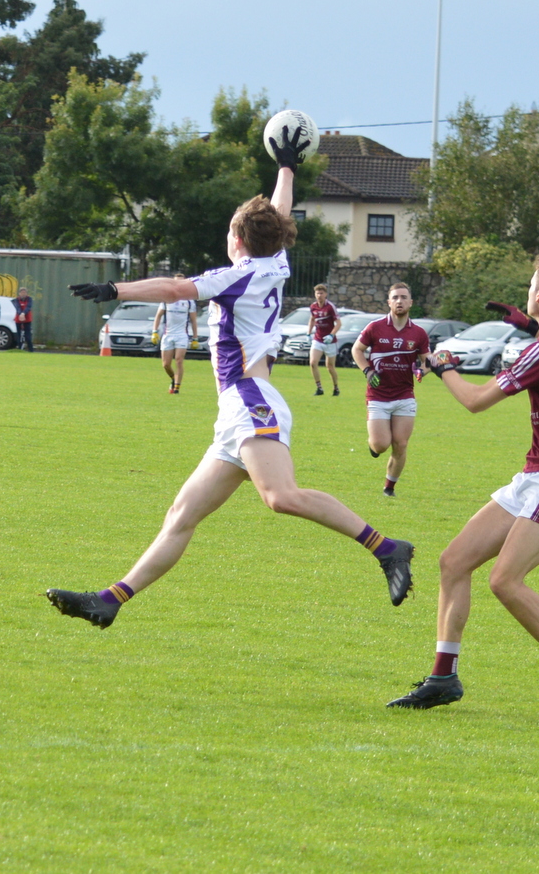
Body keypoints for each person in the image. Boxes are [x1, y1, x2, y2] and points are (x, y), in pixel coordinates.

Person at [48, 125, 415, 629]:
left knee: (280, 496)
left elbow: (177, 289)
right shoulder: (276, 261)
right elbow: (281, 218)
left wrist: (117, 286)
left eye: (230, 230)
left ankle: (388, 548)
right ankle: (109, 600)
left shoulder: (234, 274)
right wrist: (286, 167)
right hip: (237, 408)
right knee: (181, 515)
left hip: (250, 396)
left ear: (237, 239)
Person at [388, 254, 539, 720]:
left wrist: (443, 365)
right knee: (454, 562)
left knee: (505, 580)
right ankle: (444, 676)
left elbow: (475, 401)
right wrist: (526, 322)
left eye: (531, 285)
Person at [352, 283, 429, 498]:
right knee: (381, 444)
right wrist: (367, 371)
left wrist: (422, 371)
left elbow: (427, 361)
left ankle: (389, 488)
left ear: (411, 302)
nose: (399, 301)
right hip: (377, 396)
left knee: (401, 444)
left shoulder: (419, 333)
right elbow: (356, 350)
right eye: (395, 297)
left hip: (405, 395)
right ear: (389, 302)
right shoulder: (375, 327)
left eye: (404, 297)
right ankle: (375, 446)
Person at [151, 275, 199, 394]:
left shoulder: (189, 301)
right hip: (168, 335)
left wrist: (195, 338)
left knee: (178, 360)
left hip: (182, 335)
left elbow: (193, 320)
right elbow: (158, 316)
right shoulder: (167, 299)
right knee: (166, 365)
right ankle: (173, 378)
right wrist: (154, 332)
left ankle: (177, 386)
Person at [308, 284, 341, 396]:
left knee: (330, 366)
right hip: (318, 338)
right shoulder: (313, 306)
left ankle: (336, 388)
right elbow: (312, 319)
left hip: (330, 341)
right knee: (313, 363)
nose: (319, 295)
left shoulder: (330, 307)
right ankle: (319, 388)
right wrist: (308, 333)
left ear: (325, 294)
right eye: (317, 293)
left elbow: (339, 323)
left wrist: (331, 335)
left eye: (321, 293)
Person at [15, 286, 34, 352]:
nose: (23, 294)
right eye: (22, 292)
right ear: (19, 293)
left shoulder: (29, 299)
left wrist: (23, 313)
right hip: (18, 319)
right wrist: (20, 314)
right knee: (19, 335)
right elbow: (17, 307)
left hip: (27, 319)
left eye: (24, 292)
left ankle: (31, 350)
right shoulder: (17, 300)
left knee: (28, 336)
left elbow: (28, 307)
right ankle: (19, 349)